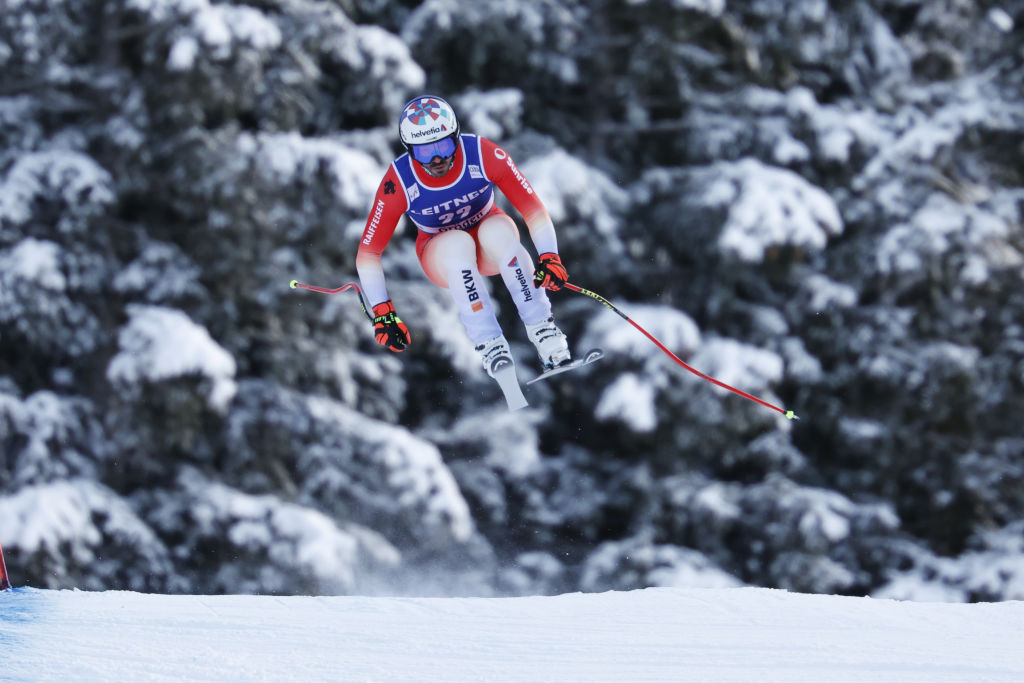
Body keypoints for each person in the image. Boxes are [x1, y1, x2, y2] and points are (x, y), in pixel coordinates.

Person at [355, 95, 572, 384]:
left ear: (456, 138)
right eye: (423, 152)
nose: (437, 159)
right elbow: (368, 253)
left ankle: (544, 330)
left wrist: (549, 256)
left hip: (490, 243)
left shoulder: (482, 153)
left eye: (444, 146)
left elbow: (533, 209)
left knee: (497, 231)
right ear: (409, 151)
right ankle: (491, 346)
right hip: (442, 255)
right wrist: (383, 312)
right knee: (456, 244)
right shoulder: (399, 180)